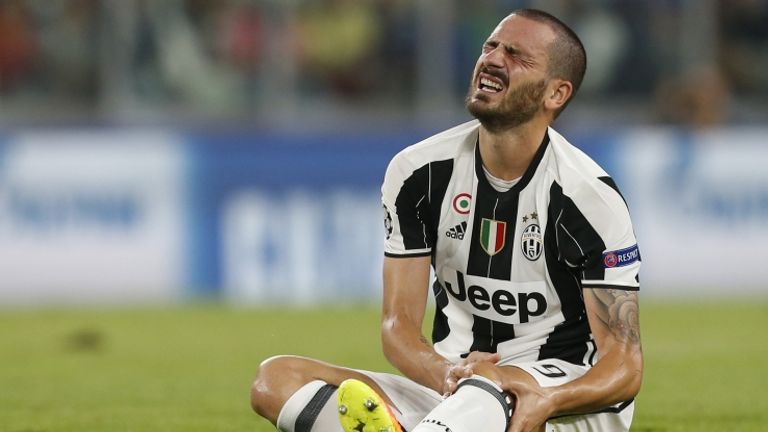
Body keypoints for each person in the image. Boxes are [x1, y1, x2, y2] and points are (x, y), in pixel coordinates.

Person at [250, 8, 643, 432]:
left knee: (486, 390)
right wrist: (445, 373)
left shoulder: (588, 197)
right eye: (490, 46)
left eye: (516, 55)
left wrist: (549, 397)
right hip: (453, 388)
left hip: (560, 399)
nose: (492, 59)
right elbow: (397, 325)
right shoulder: (417, 173)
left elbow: (624, 366)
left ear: (556, 94)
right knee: (275, 379)